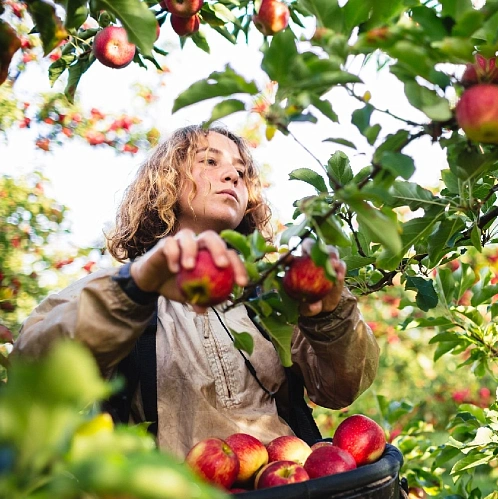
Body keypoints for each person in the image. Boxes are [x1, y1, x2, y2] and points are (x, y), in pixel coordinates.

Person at [13, 124, 380, 458]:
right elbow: (34, 370)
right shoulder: (117, 289)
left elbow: (340, 389)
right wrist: (137, 290)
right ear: (168, 181)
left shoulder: (267, 297)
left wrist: (330, 316)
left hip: (286, 494)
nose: (233, 174)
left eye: (241, 170)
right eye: (209, 160)